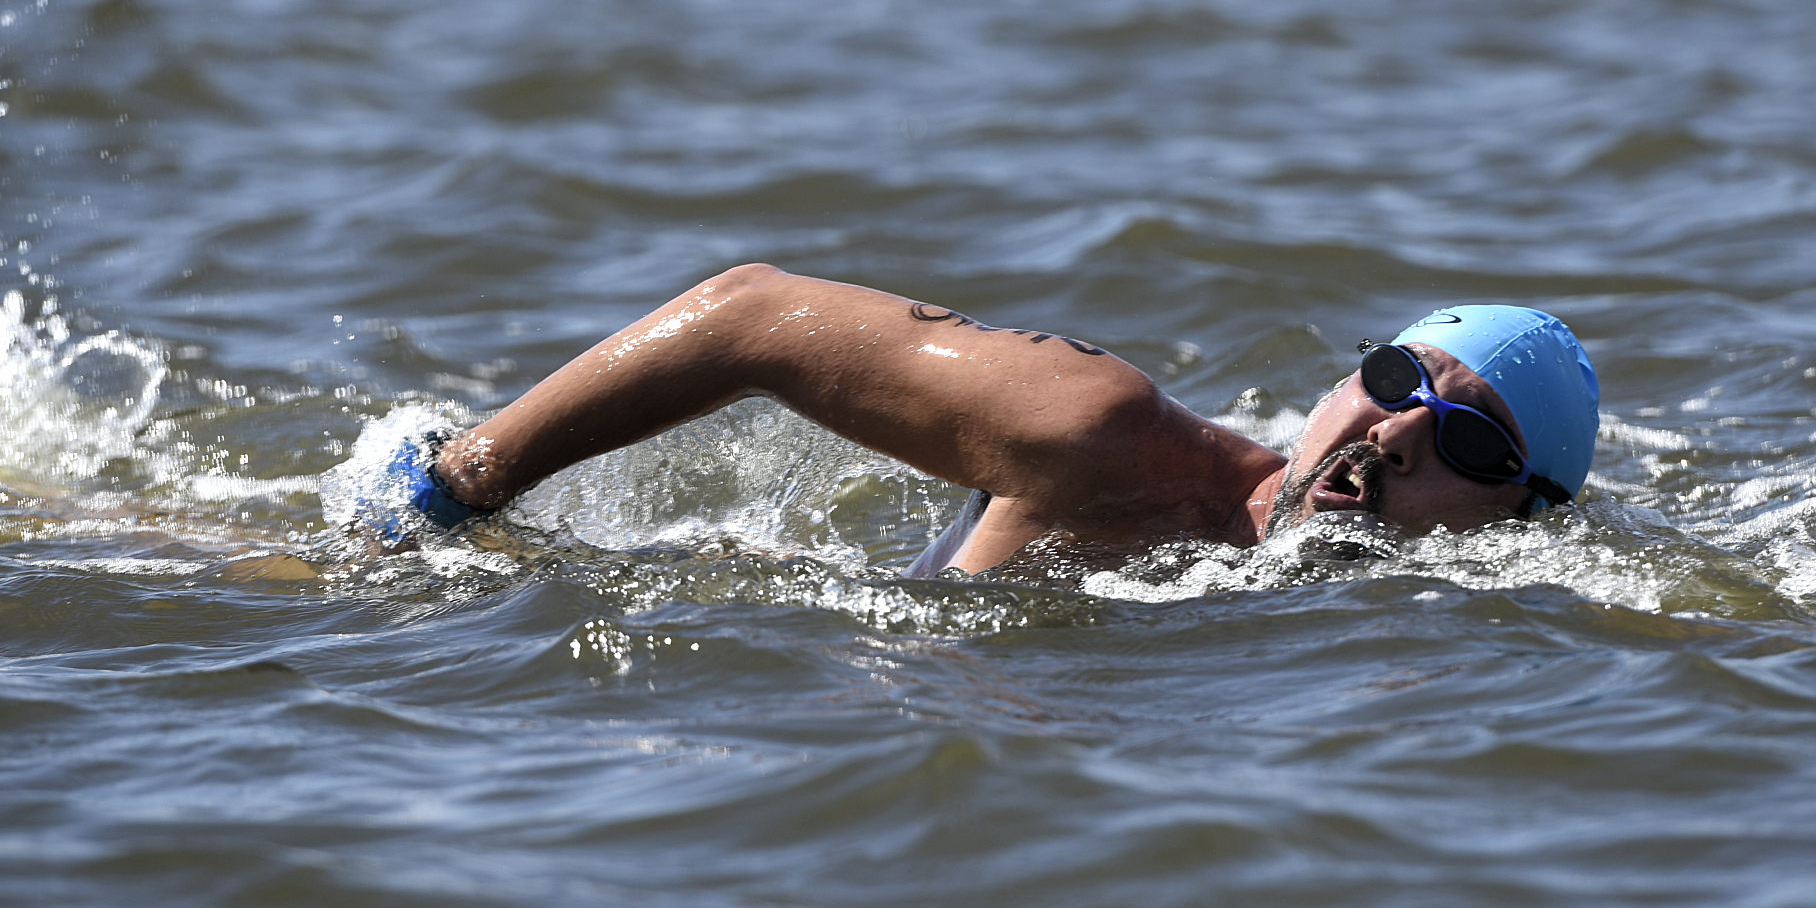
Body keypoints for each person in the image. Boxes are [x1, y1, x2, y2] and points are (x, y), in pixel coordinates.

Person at [368, 264, 1598, 576]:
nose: (1397, 436)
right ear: (1341, 385)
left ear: (1515, 522)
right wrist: (449, 497)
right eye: (1395, 383)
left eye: (1470, 441)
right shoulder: (1106, 436)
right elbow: (747, 316)